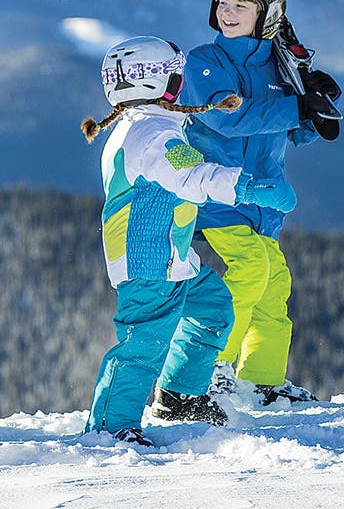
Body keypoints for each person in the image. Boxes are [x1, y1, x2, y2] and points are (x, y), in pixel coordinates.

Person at [82, 34, 296, 443]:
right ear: (163, 86)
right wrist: (251, 188)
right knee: (143, 342)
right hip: (149, 261)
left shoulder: (140, 128)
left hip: (171, 254)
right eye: (176, 78)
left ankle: (179, 396)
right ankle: (111, 428)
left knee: (213, 305)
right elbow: (195, 175)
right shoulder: (155, 137)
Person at [154, 0, 339, 413]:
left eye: (242, 4)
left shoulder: (278, 68)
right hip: (216, 195)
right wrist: (297, 107)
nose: (229, 10)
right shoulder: (204, 62)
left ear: (267, 15)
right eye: (223, 1)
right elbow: (232, 118)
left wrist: (315, 111)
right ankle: (204, 370)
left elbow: (290, 133)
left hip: (264, 204)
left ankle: (261, 382)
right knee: (252, 269)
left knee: (274, 286)